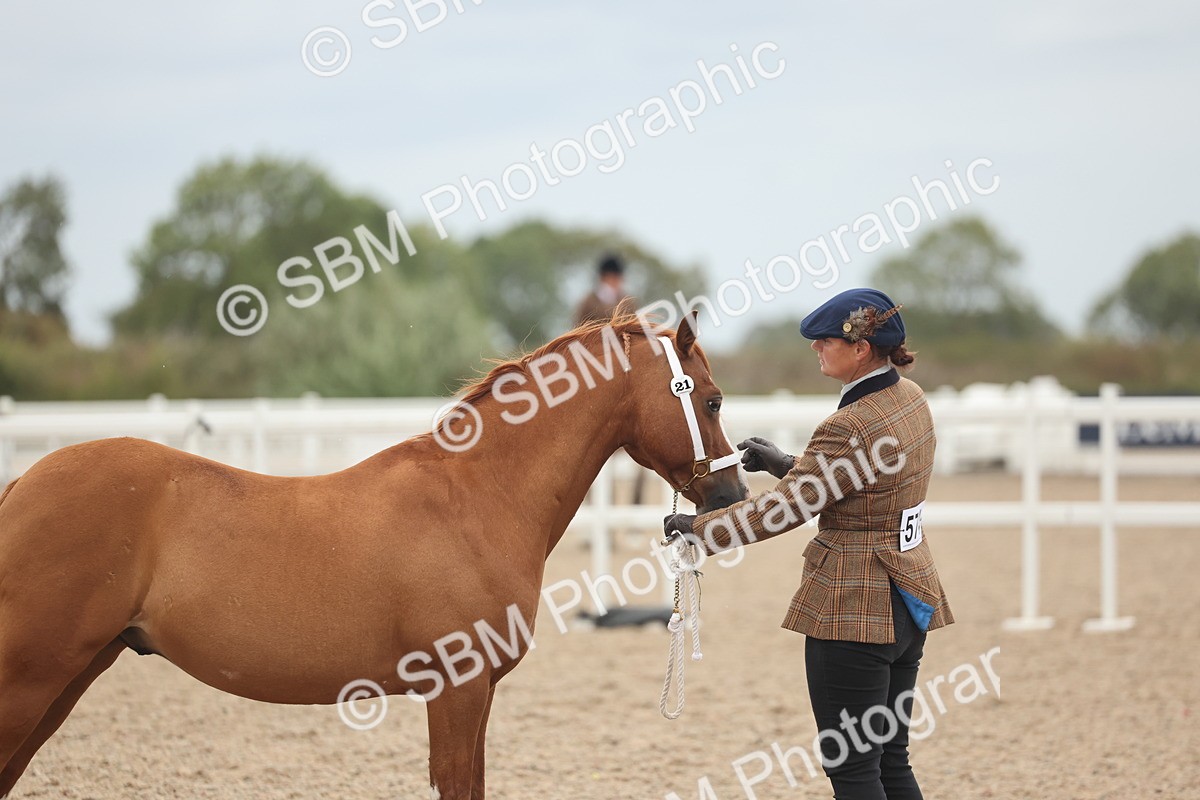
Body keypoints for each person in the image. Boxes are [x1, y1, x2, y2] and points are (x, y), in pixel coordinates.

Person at [663, 287, 953, 800]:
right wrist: (786, 465)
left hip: (855, 607)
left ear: (860, 349)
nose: (816, 348)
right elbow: (863, 482)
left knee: (853, 771)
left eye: (825, 341)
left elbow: (786, 509)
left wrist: (701, 530)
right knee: (891, 761)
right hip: (909, 599)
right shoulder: (910, 398)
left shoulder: (847, 423)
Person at [573, 252, 629, 326]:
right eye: (612, 278)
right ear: (603, 278)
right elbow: (577, 327)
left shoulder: (627, 302)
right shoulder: (588, 302)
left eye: (617, 278)